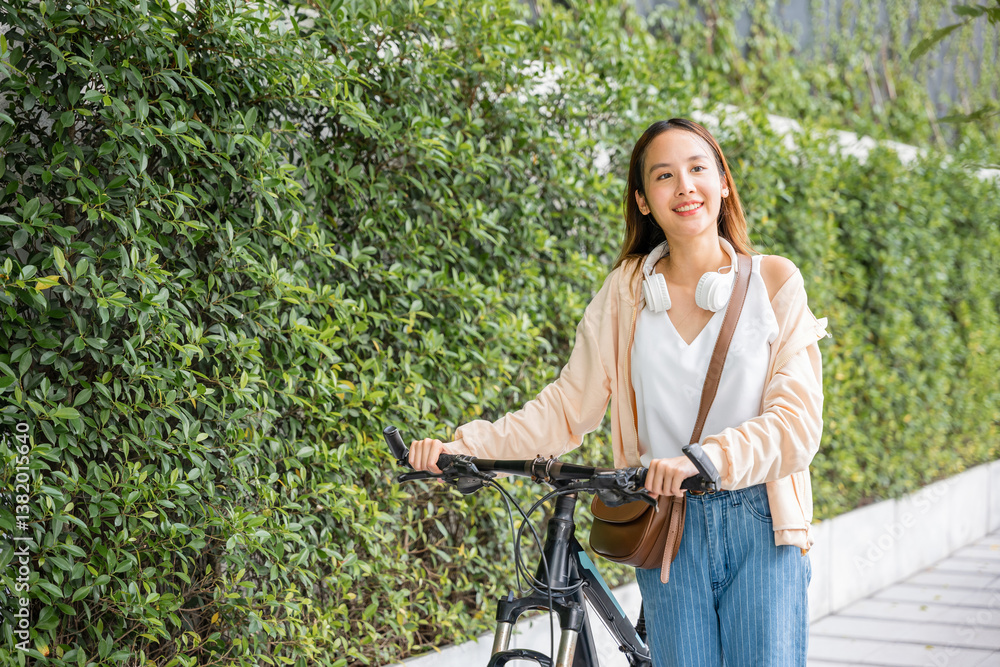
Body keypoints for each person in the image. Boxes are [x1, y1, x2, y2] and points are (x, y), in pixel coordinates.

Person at [408, 118, 830, 667]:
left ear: (723, 182)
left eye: (698, 168)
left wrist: (704, 460)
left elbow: (797, 424)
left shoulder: (774, 282)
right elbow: (566, 406)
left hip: (762, 519)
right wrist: (462, 447)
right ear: (644, 200)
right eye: (664, 176)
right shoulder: (628, 293)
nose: (684, 186)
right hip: (666, 526)